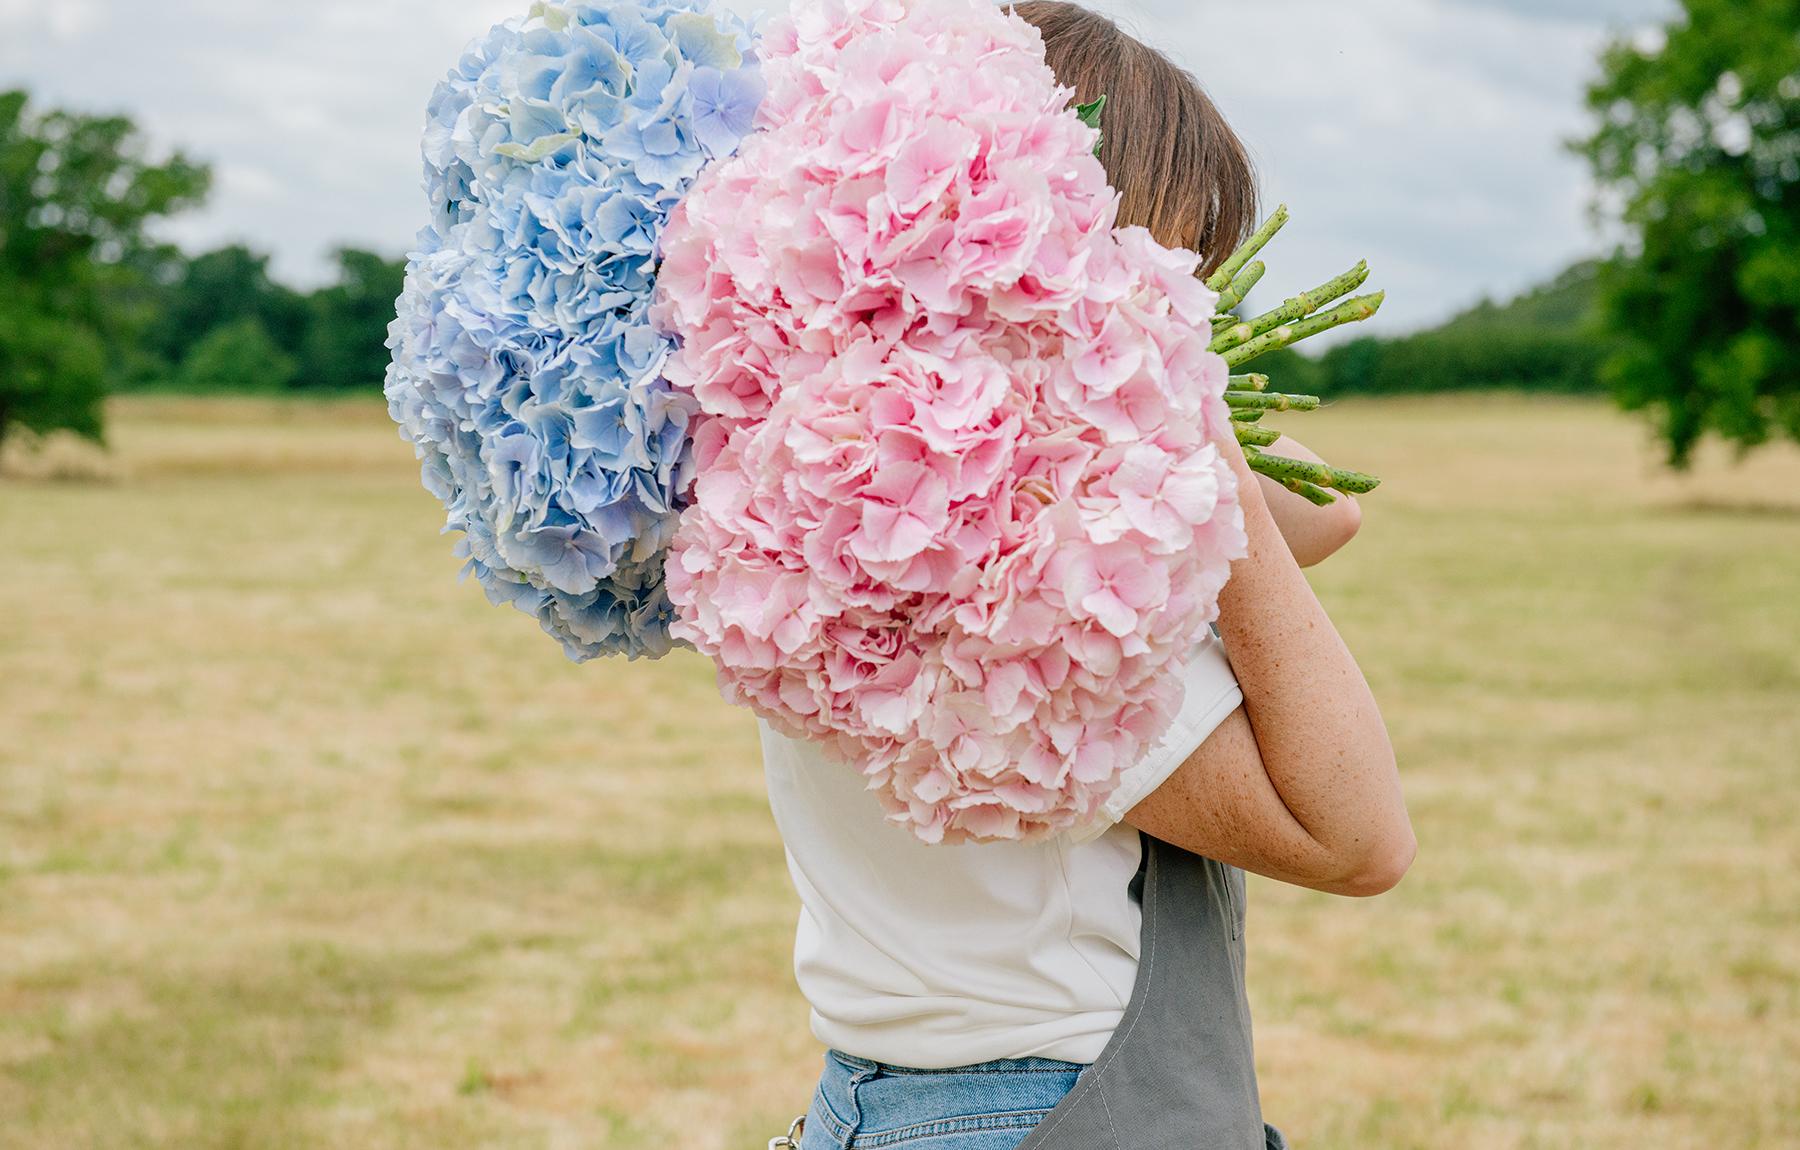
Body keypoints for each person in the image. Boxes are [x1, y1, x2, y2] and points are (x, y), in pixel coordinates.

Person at [763, 4, 1418, 1147]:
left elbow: (1329, 510)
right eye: (1166, 271)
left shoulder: (864, 494)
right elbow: (1359, 838)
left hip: (912, 1104)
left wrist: (1150, 394)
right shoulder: (1021, 581)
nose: (1189, 314)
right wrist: (1187, 425)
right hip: (1049, 1114)